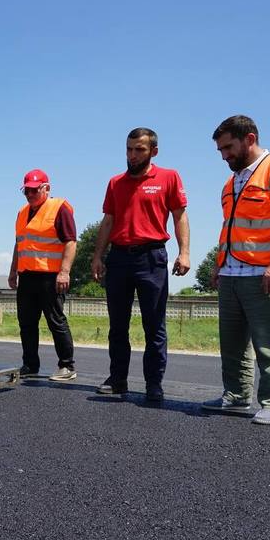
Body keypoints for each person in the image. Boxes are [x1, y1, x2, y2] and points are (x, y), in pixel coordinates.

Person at [200, 115, 270, 425]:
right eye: (220, 150)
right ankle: (235, 396)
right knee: (232, 344)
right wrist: (219, 265)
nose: (224, 155)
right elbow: (232, 227)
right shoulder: (232, 181)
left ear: (249, 139)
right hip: (231, 273)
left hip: (264, 274)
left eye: (228, 147)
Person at [90, 128, 190, 402]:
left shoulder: (169, 177)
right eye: (129, 149)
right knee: (117, 325)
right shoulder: (115, 183)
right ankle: (117, 380)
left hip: (152, 258)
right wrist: (98, 256)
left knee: (154, 325)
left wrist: (184, 252)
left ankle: (154, 383)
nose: (132, 155)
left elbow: (180, 216)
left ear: (153, 152)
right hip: (119, 258)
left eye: (139, 150)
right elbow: (108, 221)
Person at [8, 169, 77, 380]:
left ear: (46, 188)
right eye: (26, 191)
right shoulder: (22, 212)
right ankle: (30, 365)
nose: (29, 195)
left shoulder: (59, 208)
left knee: (56, 321)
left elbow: (70, 242)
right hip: (27, 276)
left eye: (34, 190)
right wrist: (13, 271)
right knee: (26, 323)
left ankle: (67, 366)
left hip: (50, 277)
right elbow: (19, 244)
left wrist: (64, 272)